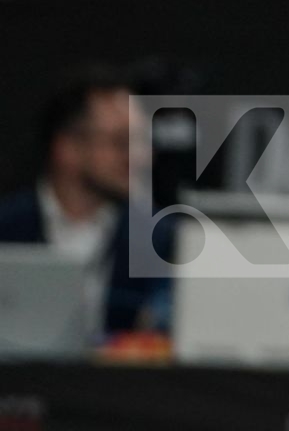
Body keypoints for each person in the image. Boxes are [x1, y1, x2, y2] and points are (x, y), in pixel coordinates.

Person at [0, 67, 169, 340]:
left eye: (143, 141)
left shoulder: (162, 239)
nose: (141, 157)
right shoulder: (7, 228)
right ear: (67, 148)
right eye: (121, 142)